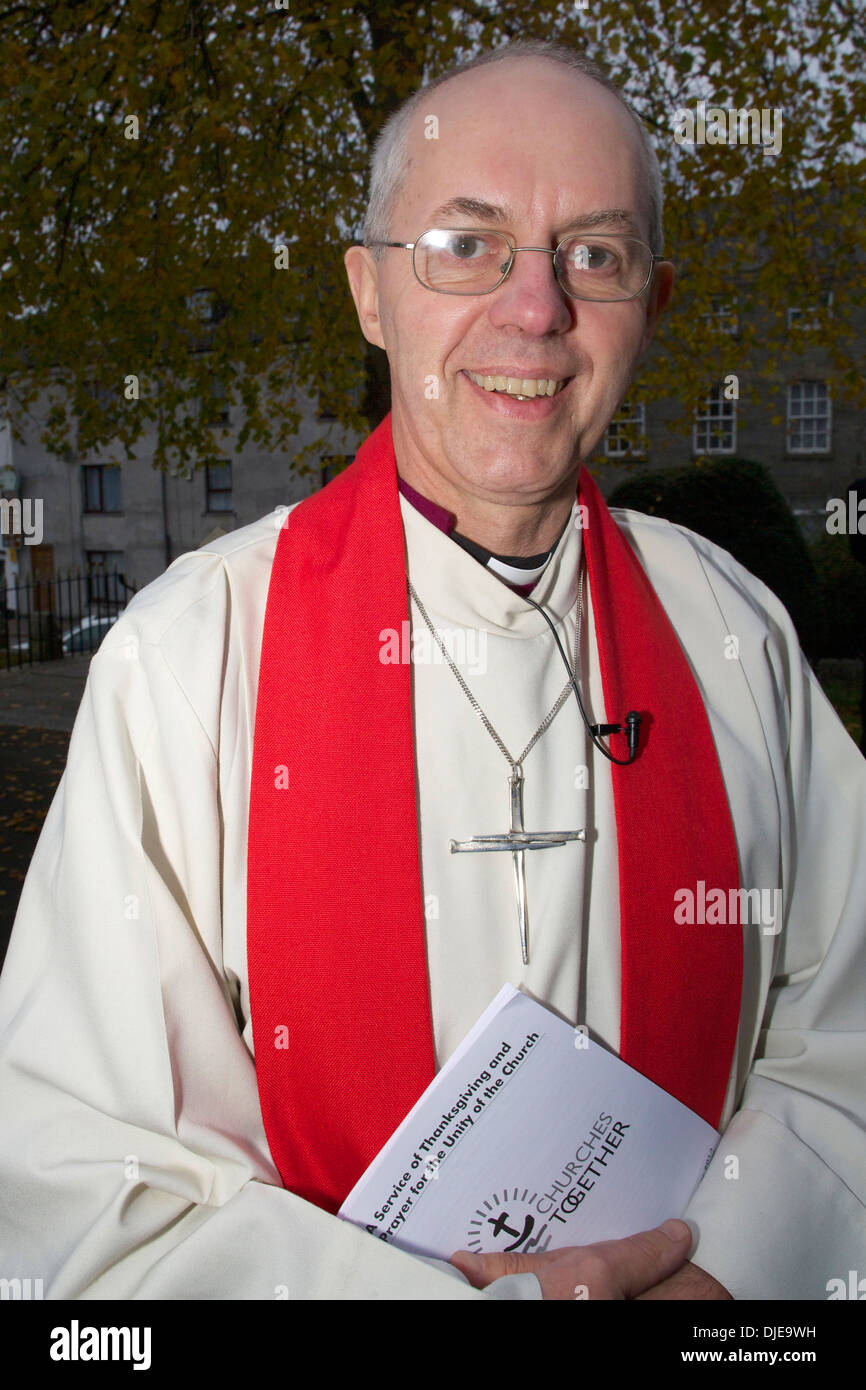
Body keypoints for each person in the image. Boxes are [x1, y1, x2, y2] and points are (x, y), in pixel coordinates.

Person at [1, 40, 864, 1303]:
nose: (535, 310)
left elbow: (843, 1022)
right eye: (466, 244)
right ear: (368, 292)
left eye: (595, 254)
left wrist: (731, 1272)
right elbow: (79, 1176)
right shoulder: (189, 656)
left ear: (653, 305)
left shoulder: (731, 628)